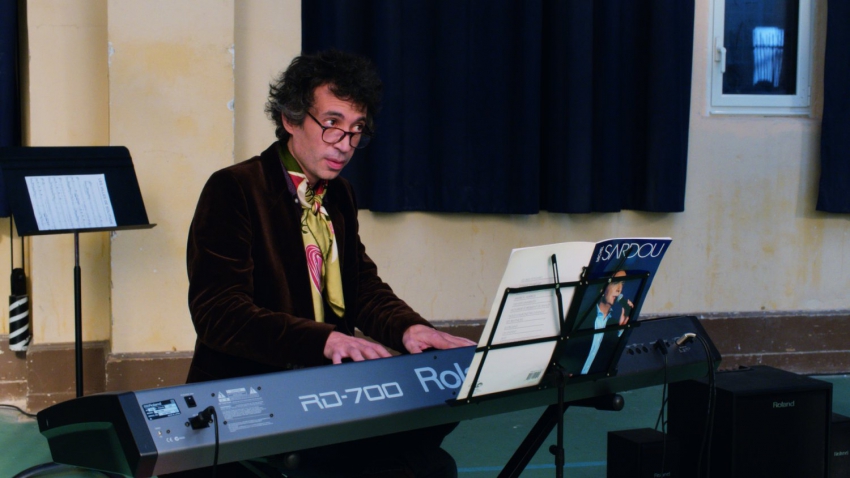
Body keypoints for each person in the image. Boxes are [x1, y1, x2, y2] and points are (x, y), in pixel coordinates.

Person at [167, 50, 475, 478]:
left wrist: (409, 328)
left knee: (427, 453)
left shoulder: (340, 194)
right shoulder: (234, 188)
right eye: (332, 124)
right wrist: (325, 341)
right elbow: (219, 314)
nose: (345, 145)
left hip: (326, 391)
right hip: (250, 397)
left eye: (356, 130)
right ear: (291, 119)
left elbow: (362, 287)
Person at [578, 271, 632, 375]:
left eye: (622, 283)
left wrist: (621, 329)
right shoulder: (583, 317)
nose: (619, 289)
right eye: (615, 282)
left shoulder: (613, 325)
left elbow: (608, 362)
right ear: (602, 288)